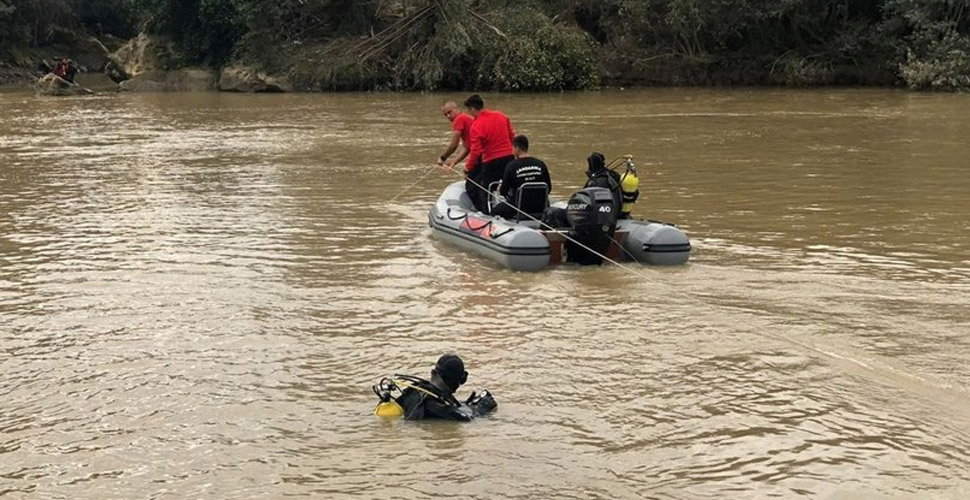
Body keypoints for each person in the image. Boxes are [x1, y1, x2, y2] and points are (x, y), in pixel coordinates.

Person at [372, 354, 497, 421]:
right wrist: (482, 409)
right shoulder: (435, 405)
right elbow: (466, 419)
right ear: (454, 380)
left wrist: (469, 404)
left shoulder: (417, 388)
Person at [460, 94, 516, 213]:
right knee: (511, 185)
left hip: (491, 161)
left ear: (472, 108)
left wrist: (467, 167)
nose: (468, 112)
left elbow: (476, 151)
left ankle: (485, 214)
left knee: (481, 189)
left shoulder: (476, 125)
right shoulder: (501, 116)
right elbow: (512, 136)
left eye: (468, 110)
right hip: (509, 158)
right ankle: (514, 209)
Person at [491, 134, 551, 219]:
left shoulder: (511, 166)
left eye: (513, 148)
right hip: (540, 206)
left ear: (517, 148)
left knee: (494, 211)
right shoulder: (540, 164)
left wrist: (500, 188)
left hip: (519, 207)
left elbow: (503, 191)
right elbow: (549, 187)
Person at [437, 101, 473, 169]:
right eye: (445, 115)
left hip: (482, 154)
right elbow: (467, 148)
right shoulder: (464, 117)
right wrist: (454, 162)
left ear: (456, 109)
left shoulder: (459, 119)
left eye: (449, 112)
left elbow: (454, 145)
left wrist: (443, 158)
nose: (448, 116)